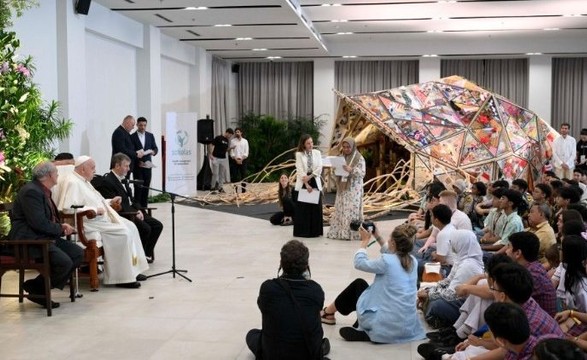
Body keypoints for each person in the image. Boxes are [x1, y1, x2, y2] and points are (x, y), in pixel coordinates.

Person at [53, 155, 149, 289]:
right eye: (92, 168)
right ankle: (122, 278)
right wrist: (93, 209)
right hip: (88, 223)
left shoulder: (84, 181)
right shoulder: (73, 182)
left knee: (131, 226)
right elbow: (68, 208)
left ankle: (132, 270)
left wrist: (110, 201)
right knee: (124, 233)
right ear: (82, 169)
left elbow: (96, 201)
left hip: (100, 220)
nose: (95, 170)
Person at [321, 223, 425, 343]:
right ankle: (357, 326)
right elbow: (394, 253)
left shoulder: (386, 261)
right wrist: (377, 236)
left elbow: (359, 263)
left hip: (386, 324)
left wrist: (364, 241)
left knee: (359, 284)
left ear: (393, 243)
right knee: (370, 292)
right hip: (406, 326)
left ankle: (328, 313)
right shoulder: (412, 261)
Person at [8, 161, 84, 309]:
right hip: (29, 239)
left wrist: (61, 227)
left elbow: (46, 221)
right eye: (56, 172)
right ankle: (39, 290)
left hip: (44, 237)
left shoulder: (42, 190)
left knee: (77, 253)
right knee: (64, 262)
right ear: (49, 175)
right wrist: (61, 228)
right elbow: (38, 222)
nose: (58, 175)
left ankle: (36, 287)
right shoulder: (31, 191)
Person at [245, 240, 329, 360]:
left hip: (274, 353)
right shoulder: (315, 289)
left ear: (281, 263)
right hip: (307, 353)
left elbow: (263, 307)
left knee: (252, 334)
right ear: (306, 264)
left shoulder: (268, 287)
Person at [92, 153, 163, 263]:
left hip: (133, 210)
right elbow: (116, 205)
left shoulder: (123, 179)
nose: (128, 169)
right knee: (146, 229)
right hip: (125, 214)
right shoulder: (108, 181)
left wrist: (139, 209)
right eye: (126, 166)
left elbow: (132, 199)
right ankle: (138, 258)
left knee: (157, 225)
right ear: (117, 165)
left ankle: (145, 253)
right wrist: (134, 212)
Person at [418, 229, 484, 329]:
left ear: (460, 243)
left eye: (453, 242)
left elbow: (452, 294)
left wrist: (428, 294)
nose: (451, 244)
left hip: (462, 302)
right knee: (430, 293)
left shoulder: (468, 265)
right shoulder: (461, 258)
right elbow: (449, 280)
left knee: (436, 304)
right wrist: (430, 290)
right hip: (455, 295)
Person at [505, 232, 557, 316]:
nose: (506, 252)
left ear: (518, 253)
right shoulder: (532, 268)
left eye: (509, 247)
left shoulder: (532, 275)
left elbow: (503, 295)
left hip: (535, 325)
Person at [327, 137, 366, 241]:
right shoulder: (341, 157)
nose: (346, 149)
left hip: (354, 188)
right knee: (342, 209)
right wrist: (335, 169)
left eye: (348, 147)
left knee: (351, 209)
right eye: (344, 147)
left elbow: (362, 173)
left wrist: (351, 170)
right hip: (342, 188)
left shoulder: (359, 157)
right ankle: (341, 233)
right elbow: (333, 173)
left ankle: (352, 234)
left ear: (353, 146)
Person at [293, 134, 323, 238]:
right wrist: (306, 184)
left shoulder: (317, 153)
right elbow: (300, 170)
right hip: (303, 182)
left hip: (314, 179)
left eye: (312, 142)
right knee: (304, 208)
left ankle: (315, 231)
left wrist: (310, 177)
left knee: (315, 207)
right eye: (308, 143)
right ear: (303, 144)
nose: (311, 145)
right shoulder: (299, 154)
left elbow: (319, 167)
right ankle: (303, 231)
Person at [130, 116, 158, 208]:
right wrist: (138, 162)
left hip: (148, 167)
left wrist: (153, 152)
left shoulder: (150, 135)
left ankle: (144, 209)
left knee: (146, 188)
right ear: (137, 125)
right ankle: (138, 209)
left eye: (144, 125)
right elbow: (131, 152)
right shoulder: (132, 137)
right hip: (138, 167)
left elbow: (155, 148)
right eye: (141, 125)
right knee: (138, 189)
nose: (143, 127)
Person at [208, 128, 233, 193]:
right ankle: (212, 187)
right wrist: (210, 154)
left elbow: (225, 150)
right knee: (215, 173)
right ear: (227, 133)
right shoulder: (218, 137)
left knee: (221, 174)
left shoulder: (227, 141)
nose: (230, 136)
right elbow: (211, 144)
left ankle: (220, 187)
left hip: (223, 158)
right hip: (216, 157)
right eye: (230, 135)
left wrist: (230, 148)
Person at [229, 127, 249, 193]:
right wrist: (236, 160)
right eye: (236, 132)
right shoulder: (232, 141)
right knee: (235, 176)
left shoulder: (245, 141)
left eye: (238, 132)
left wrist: (241, 159)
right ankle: (235, 191)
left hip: (243, 160)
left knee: (243, 176)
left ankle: (243, 190)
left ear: (241, 133)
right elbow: (231, 152)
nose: (237, 133)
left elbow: (246, 152)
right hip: (235, 160)